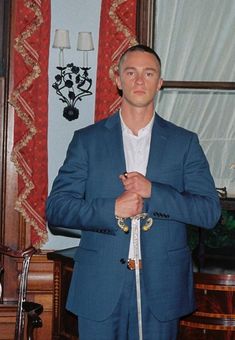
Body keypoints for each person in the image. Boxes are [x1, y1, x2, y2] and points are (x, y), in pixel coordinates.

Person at [46, 44, 221, 340]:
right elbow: (57, 208)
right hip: (99, 286)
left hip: (162, 289)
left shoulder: (185, 143)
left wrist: (154, 191)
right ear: (118, 80)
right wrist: (110, 208)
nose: (140, 81)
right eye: (131, 72)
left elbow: (209, 212)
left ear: (160, 82)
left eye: (148, 73)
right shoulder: (86, 141)